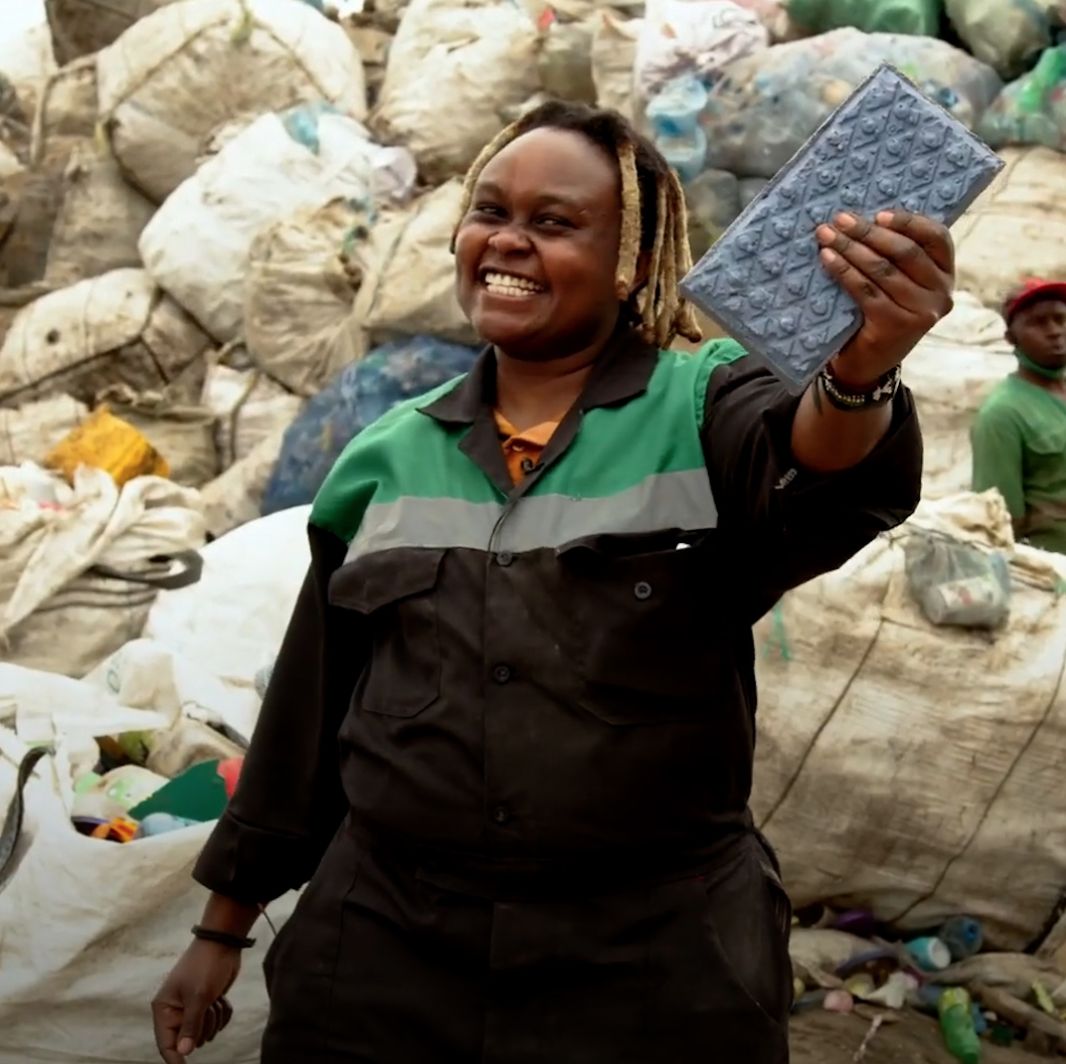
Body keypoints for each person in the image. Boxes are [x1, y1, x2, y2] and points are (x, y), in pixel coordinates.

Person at [152, 101, 950, 1064]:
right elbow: (308, 716)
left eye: (554, 222)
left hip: (652, 964)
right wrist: (220, 932)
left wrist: (861, 367)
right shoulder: (386, 455)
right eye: (490, 211)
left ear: (630, 263)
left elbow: (817, 461)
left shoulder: (704, 401)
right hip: (387, 956)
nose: (507, 241)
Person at [972, 279, 1066, 553]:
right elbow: (1000, 522)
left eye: (1061, 319)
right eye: (1038, 323)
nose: (1055, 332)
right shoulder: (1002, 414)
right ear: (1012, 339)